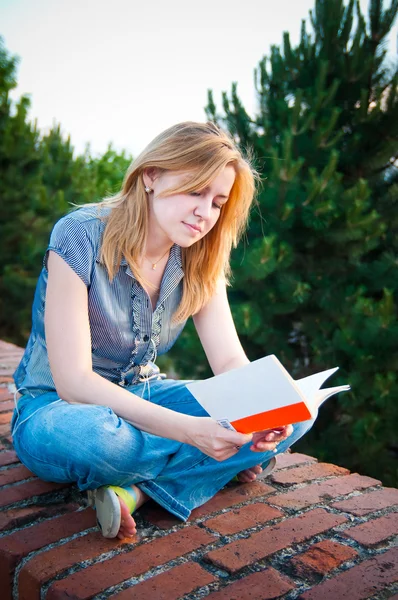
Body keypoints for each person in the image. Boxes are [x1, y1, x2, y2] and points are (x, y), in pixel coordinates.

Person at [11, 122, 314, 539]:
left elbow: (228, 360)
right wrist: (192, 432)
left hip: (146, 394)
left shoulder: (200, 255)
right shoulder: (79, 234)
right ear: (151, 175)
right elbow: (74, 382)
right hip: (57, 409)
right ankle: (212, 465)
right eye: (195, 191)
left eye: (217, 202)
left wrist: (263, 410)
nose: (205, 213)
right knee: (101, 443)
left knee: (296, 414)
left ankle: (139, 492)